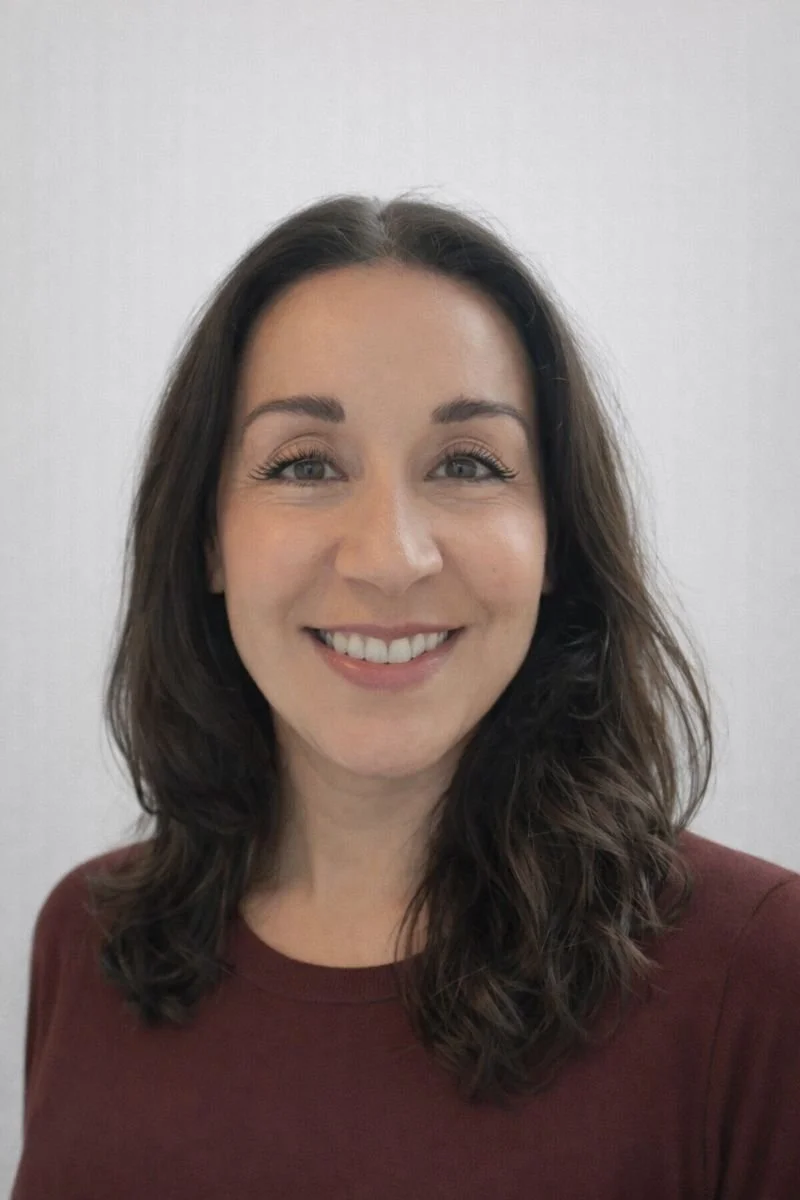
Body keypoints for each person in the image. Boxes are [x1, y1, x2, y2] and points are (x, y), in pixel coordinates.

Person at [11, 193, 800, 1199]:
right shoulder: (85, 941)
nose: (389, 557)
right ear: (208, 538)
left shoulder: (758, 979)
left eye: (466, 464)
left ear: (555, 539)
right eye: (305, 464)